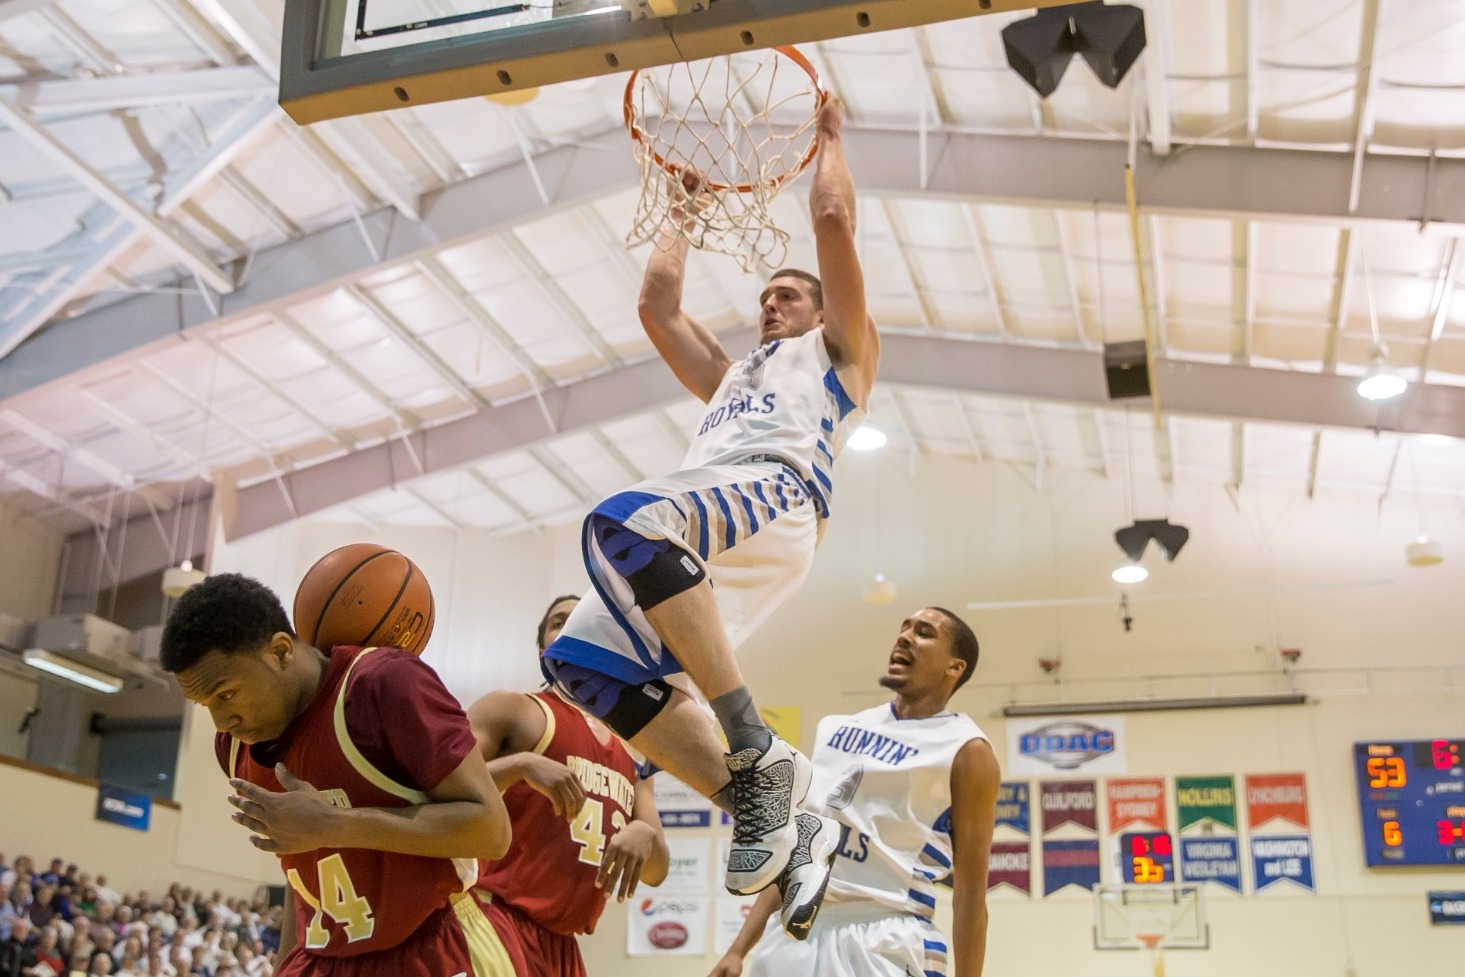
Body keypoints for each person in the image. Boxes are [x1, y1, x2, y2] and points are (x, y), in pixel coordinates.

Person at [540, 93, 879, 939]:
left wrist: (830, 140)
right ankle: (789, 823)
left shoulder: (840, 357)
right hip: (710, 525)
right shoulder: (732, 377)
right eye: (765, 295)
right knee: (580, 661)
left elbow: (832, 219)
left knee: (624, 520)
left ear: (820, 313)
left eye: (789, 295)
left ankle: (753, 743)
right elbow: (656, 307)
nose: (772, 303)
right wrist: (682, 211)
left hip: (774, 496)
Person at [159, 573, 512, 977]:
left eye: (225, 694)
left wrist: (335, 824)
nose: (221, 721)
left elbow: (492, 829)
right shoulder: (235, 747)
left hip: (432, 944)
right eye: (205, 704)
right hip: (323, 956)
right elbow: (301, 870)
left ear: (280, 652)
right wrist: (283, 964)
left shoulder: (383, 685)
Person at [710, 608, 1000, 977]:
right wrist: (737, 951)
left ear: (954, 668)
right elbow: (796, 848)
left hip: (886, 933)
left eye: (924, 633)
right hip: (795, 932)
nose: (905, 637)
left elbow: (971, 894)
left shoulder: (968, 750)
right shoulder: (835, 730)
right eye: (904, 628)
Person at [466, 594, 671, 976]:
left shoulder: (635, 749)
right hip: (493, 919)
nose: (571, 626)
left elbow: (656, 871)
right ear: (544, 646)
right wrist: (520, 765)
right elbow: (433, 795)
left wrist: (642, 830)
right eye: (559, 621)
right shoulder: (513, 709)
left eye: (583, 618)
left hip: (563, 944)